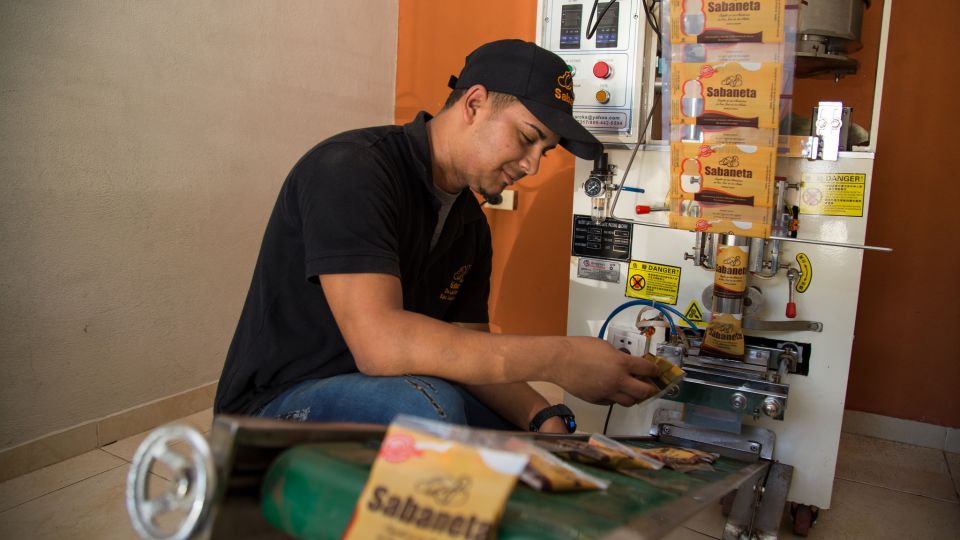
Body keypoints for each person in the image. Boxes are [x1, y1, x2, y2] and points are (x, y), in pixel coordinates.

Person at [214, 39, 658, 434]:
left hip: (383, 389)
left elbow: (473, 354)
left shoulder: (469, 226)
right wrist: (561, 359)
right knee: (428, 407)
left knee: (513, 433)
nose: (532, 166)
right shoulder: (351, 170)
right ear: (474, 103)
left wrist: (541, 417)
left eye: (543, 151)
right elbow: (381, 345)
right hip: (277, 405)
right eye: (527, 138)